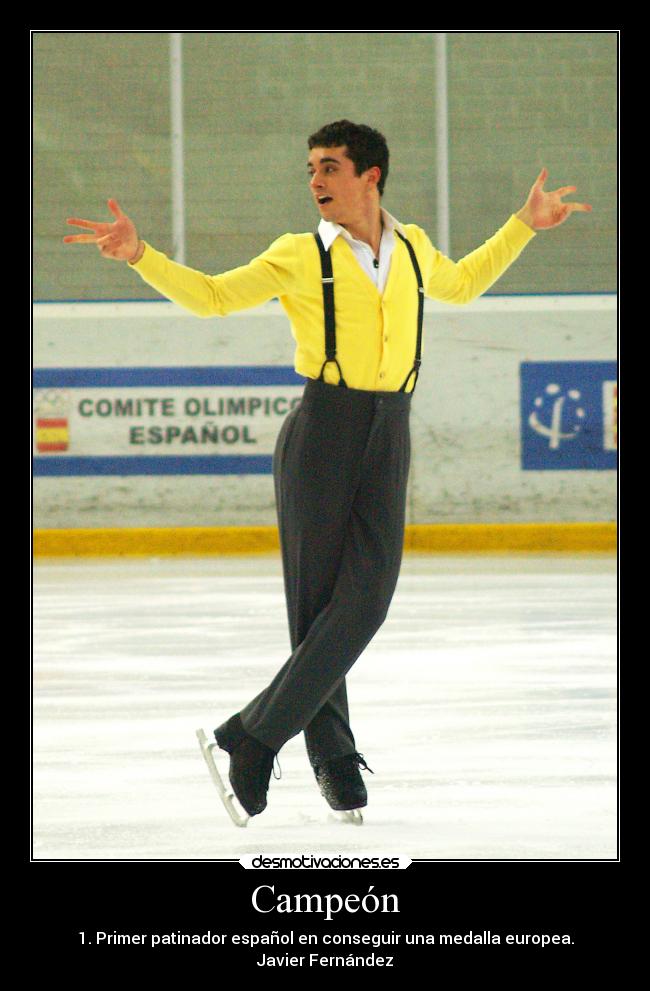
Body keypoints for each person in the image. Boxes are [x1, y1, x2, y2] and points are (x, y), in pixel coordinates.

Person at [64, 119, 592, 820]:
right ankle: (332, 757)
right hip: (322, 431)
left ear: (370, 176)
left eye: (330, 167)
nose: (315, 181)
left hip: (390, 429)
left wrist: (524, 224)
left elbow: (461, 284)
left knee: (365, 600)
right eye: (311, 168)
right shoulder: (296, 255)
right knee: (319, 610)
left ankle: (251, 735)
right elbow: (214, 297)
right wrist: (141, 256)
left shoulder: (411, 247)